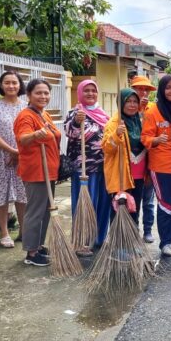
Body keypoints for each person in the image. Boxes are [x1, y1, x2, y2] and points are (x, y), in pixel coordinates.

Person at [14, 79, 61, 267]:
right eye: (38, 93)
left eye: (46, 93)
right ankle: (31, 252)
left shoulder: (44, 114)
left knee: (45, 212)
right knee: (35, 212)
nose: (43, 96)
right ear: (29, 95)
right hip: (36, 171)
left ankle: (38, 245)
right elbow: (22, 138)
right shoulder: (26, 116)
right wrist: (34, 135)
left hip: (49, 170)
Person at [64, 79, 112, 252]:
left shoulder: (103, 114)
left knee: (103, 203)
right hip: (83, 169)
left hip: (104, 167)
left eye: (93, 90)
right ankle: (82, 241)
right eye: (86, 90)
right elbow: (70, 133)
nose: (90, 94)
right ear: (80, 93)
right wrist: (77, 121)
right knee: (85, 203)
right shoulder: (75, 113)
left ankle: (99, 238)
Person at [0, 70, 27, 249]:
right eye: (7, 82)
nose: (11, 86)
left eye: (14, 82)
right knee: (1, 194)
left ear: (20, 85)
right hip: (0, 156)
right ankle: (4, 233)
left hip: (22, 157)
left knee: (22, 194)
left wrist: (18, 154)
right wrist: (11, 151)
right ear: (1, 85)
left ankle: (24, 231)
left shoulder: (26, 106)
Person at [142, 75, 171, 257]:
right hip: (161, 167)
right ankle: (165, 243)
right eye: (168, 87)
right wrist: (156, 140)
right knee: (165, 204)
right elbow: (145, 138)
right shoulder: (153, 111)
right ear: (161, 90)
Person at [102, 89, 148, 228]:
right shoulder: (114, 123)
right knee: (119, 207)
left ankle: (133, 241)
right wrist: (116, 134)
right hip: (121, 173)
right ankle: (118, 244)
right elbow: (106, 148)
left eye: (135, 101)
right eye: (128, 101)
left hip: (138, 173)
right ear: (121, 103)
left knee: (135, 207)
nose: (132, 105)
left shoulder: (140, 121)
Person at [130, 75, 158, 242]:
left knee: (148, 199)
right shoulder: (126, 109)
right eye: (139, 89)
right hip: (132, 163)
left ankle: (147, 230)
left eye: (146, 89)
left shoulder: (153, 109)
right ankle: (134, 229)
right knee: (132, 198)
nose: (143, 92)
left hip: (150, 159)